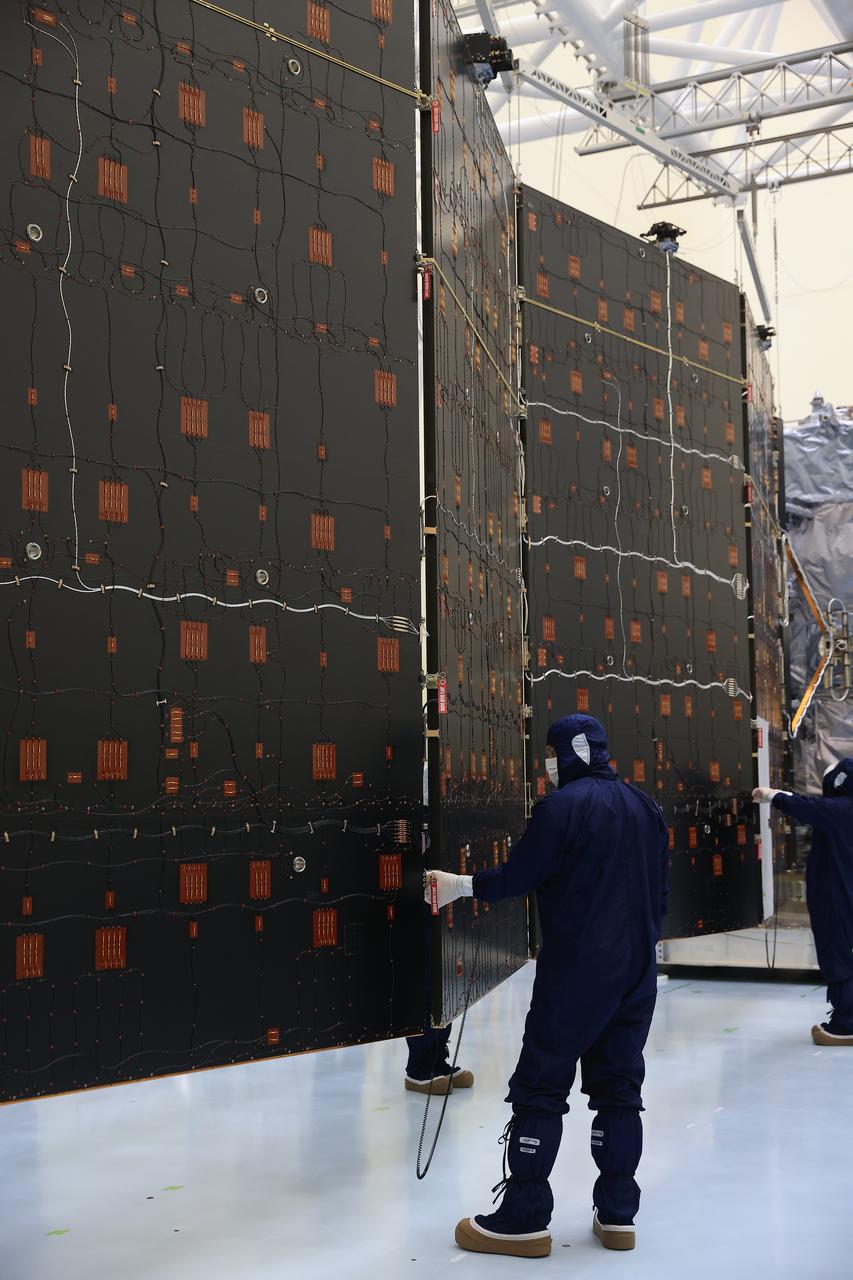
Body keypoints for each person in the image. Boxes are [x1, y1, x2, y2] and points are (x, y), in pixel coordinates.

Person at [424, 714, 669, 1259]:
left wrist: (460, 886)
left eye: (552, 756)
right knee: (619, 1088)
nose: (548, 769)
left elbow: (518, 877)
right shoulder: (647, 806)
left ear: (571, 753)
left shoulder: (561, 808)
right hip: (637, 973)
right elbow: (661, 894)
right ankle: (618, 1213)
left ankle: (524, 1218)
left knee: (541, 1083)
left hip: (578, 970)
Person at [754, 757, 853, 1045]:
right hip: (842, 896)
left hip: (837, 898)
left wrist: (772, 795)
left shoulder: (841, 810)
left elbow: (806, 807)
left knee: (838, 956)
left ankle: (847, 1022)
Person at [405, 762, 474, 1095]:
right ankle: (419, 1068)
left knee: (443, 981)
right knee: (421, 982)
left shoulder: (439, 818)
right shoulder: (407, 816)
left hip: (439, 909)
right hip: (414, 912)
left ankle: (438, 1059)